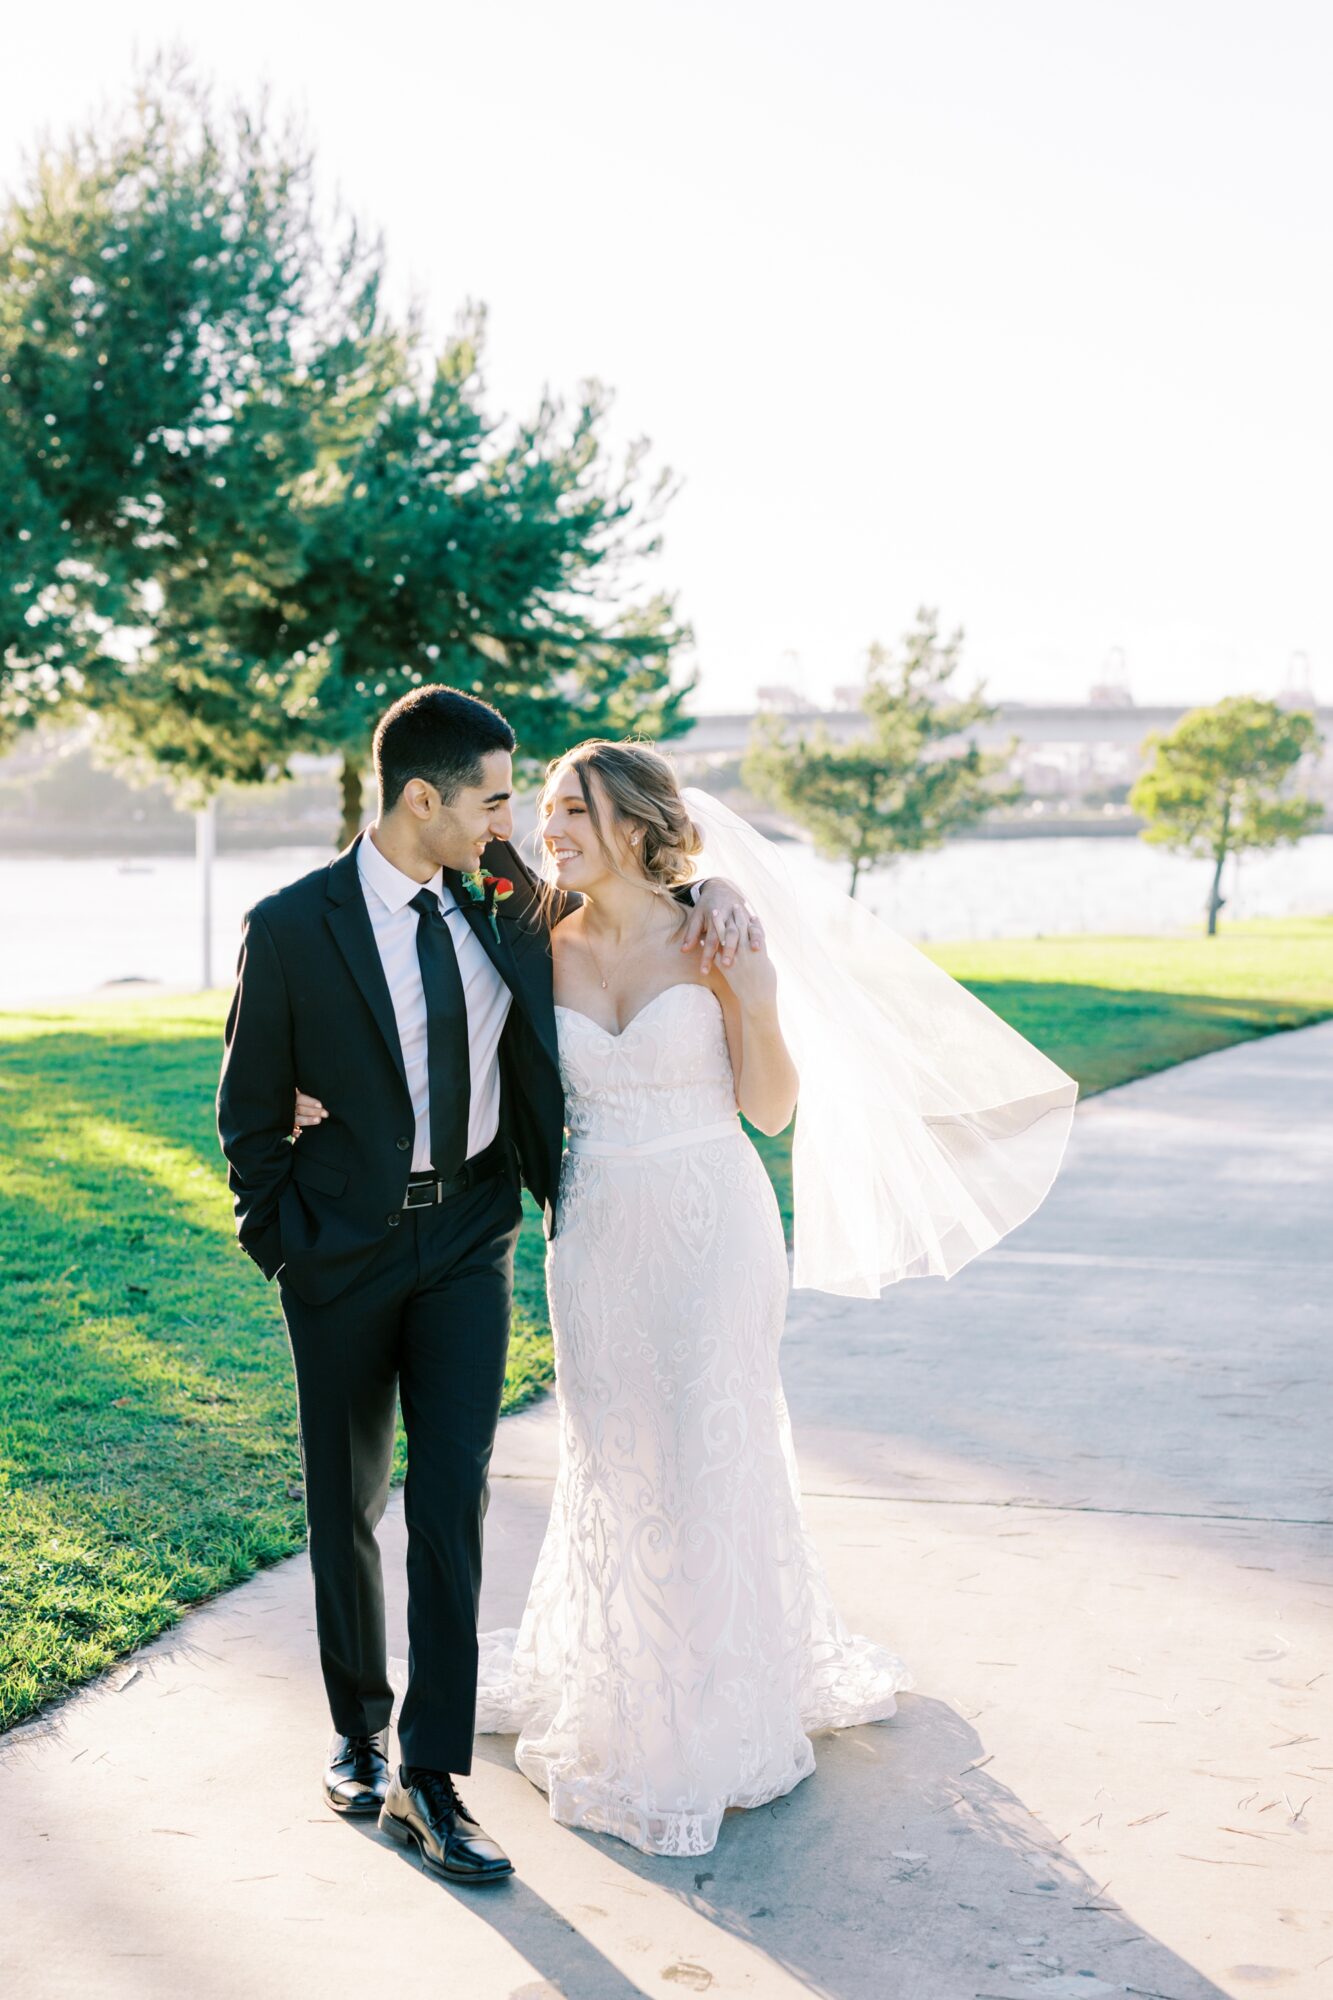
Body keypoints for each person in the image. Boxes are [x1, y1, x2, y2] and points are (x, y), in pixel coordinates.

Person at [216, 688, 754, 1886]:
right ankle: (358, 1724)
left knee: (450, 1495)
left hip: (469, 1237)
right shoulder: (290, 925)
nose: (516, 821)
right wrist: (287, 1240)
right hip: (341, 1252)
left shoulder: (508, 895)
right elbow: (248, 1118)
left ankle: (433, 1772)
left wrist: (714, 891)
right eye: (497, 799)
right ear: (425, 801)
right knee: (345, 1500)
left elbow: (636, 897)